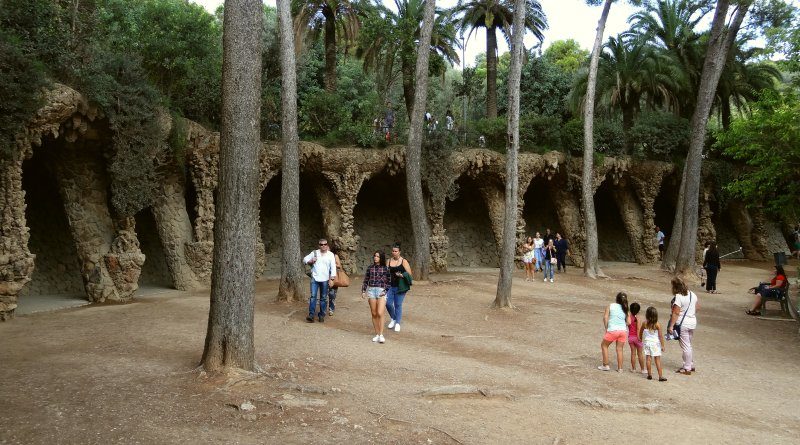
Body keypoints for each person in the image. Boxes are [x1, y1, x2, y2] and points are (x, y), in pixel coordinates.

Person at [668, 277, 698, 375]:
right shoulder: (692, 294)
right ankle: (690, 363)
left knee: (685, 346)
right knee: (688, 344)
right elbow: (697, 307)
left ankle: (687, 368)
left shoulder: (679, 297)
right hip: (692, 322)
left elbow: (676, 313)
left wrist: (671, 326)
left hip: (682, 324)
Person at [302, 239, 337, 323]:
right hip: (315, 278)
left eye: (325, 244)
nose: (323, 246)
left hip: (325, 279)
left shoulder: (330, 255)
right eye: (321, 244)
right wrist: (311, 260)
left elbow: (333, 267)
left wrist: (332, 279)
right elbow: (304, 259)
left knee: (323, 298)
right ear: (319, 245)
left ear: (327, 245)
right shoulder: (315, 253)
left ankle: (321, 315)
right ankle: (311, 315)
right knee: (313, 296)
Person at [361, 250, 391, 343]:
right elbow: (366, 280)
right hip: (371, 291)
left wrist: (385, 291)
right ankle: (377, 334)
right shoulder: (370, 268)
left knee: (380, 312)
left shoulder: (386, 268)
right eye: (374, 256)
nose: (375, 258)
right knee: (374, 313)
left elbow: (389, 282)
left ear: (381, 258)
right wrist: (363, 291)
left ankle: (381, 335)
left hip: (381, 291)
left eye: (377, 256)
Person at [598, 292, 631, 372]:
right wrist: (622, 325)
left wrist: (607, 328)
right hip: (623, 331)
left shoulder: (611, 305)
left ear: (617, 299)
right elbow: (629, 322)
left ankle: (605, 365)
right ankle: (620, 368)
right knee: (619, 349)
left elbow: (605, 318)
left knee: (604, 345)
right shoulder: (626, 309)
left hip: (613, 329)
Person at [386, 242, 413, 332]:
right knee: (388, 303)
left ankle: (397, 323)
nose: (394, 252)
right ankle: (393, 318)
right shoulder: (389, 261)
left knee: (398, 304)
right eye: (393, 251)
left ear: (399, 252)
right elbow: (385, 273)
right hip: (390, 286)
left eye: (396, 251)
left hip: (400, 287)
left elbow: (409, 274)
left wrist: (402, 275)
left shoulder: (403, 261)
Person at [639, 306, 667, 381]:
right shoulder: (657, 324)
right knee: (657, 360)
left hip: (647, 343)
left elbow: (641, 332)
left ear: (647, 315)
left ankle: (649, 374)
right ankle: (660, 376)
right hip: (655, 344)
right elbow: (660, 336)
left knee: (648, 359)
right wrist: (663, 345)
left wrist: (640, 339)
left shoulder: (644, 323)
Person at [628, 303, 645, 374]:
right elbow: (638, 328)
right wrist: (639, 337)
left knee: (633, 354)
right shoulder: (638, 318)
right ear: (638, 310)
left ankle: (633, 369)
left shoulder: (629, 317)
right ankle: (643, 369)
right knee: (640, 354)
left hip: (630, 337)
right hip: (637, 338)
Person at [327, 246, 343, 316]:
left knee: (332, 294)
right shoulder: (321, 255)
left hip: (333, 277)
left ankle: (331, 309)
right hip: (324, 277)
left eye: (327, 247)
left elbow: (339, 266)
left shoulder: (334, 256)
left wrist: (331, 263)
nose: (325, 248)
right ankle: (323, 309)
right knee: (324, 294)